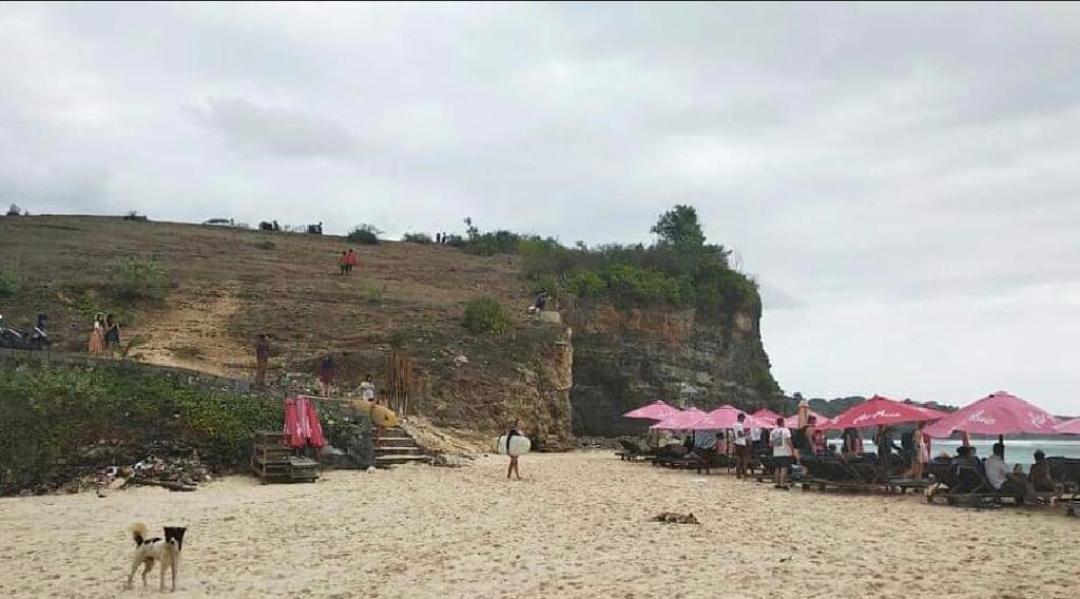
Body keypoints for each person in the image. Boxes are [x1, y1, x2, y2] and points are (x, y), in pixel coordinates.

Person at [770, 417, 793, 489]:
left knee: (777, 468)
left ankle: (777, 483)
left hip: (776, 452)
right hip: (785, 452)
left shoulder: (773, 431)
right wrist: (792, 449)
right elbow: (788, 441)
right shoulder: (786, 430)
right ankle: (783, 484)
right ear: (782, 422)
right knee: (784, 468)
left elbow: (771, 444)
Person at [732, 412, 750, 479]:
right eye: (743, 418)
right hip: (742, 443)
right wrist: (746, 433)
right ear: (741, 418)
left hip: (737, 442)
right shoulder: (740, 425)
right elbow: (740, 434)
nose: (744, 420)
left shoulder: (734, 425)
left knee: (738, 459)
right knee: (744, 459)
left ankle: (738, 474)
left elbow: (735, 434)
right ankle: (745, 473)